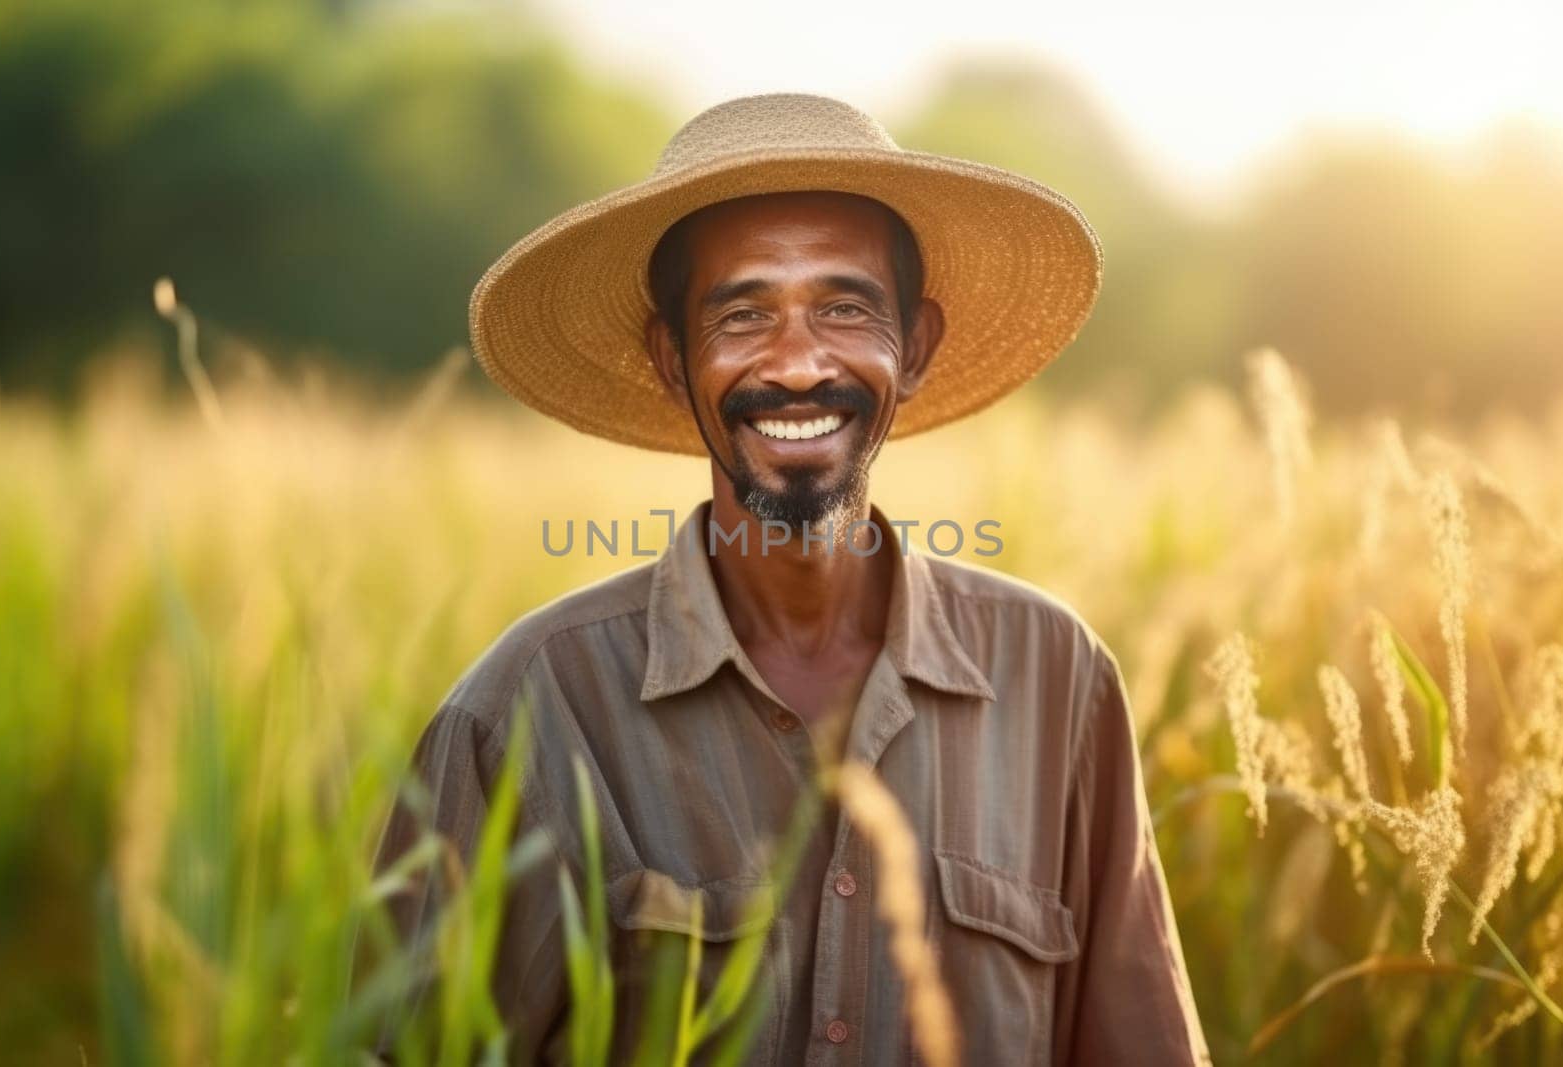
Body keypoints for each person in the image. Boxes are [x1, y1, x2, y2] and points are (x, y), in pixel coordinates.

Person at [371, 92, 1210, 1065]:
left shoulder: (1055, 680)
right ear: (671, 359)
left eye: (845, 307)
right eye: (743, 313)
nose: (800, 363)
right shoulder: (527, 711)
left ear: (918, 346)